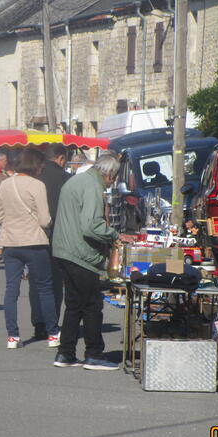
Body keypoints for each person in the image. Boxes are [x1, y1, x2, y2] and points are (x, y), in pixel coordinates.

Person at [52, 155, 134, 370]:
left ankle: (66, 353)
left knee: (74, 305)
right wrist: (115, 235)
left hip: (65, 249)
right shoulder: (92, 186)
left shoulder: (77, 180)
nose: (111, 183)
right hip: (80, 253)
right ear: (109, 174)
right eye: (113, 178)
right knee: (91, 305)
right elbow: (91, 225)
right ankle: (93, 354)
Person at [0, 148, 59, 349]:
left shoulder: (5, 185)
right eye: (41, 166)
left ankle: (12, 336)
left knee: (11, 289)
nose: (42, 169)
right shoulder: (37, 185)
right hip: (35, 242)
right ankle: (53, 333)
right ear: (35, 165)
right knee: (44, 288)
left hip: (11, 243)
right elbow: (45, 219)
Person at [31, 143, 70, 338]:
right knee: (54, 281)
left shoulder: (35, 176)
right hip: (59, 234)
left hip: (34, 234)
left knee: (37, 281)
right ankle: (51, 322)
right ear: (61, 158)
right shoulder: (66, 179)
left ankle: (38, 322)